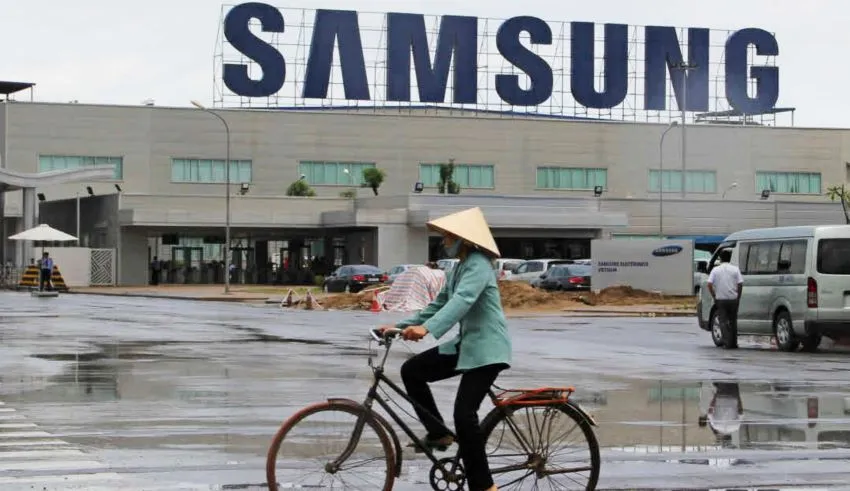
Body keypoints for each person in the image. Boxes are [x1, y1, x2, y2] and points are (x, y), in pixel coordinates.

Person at [378, 207, 511, 491]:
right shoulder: (459, 266)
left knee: (464, 415)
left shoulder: (479, 264)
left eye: (449, 236)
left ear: (464, 239)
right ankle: (438, 433)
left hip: (487, 350)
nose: (445, 241)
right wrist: (400, 326)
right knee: (412, 371)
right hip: (465, 346)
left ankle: (484, 485)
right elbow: (439, 303)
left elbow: (461, 301)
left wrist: (428, 330)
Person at [707, 249, 744, 349]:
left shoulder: (715, 270)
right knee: (733, 321)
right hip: (733, 299)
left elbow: (709, 284)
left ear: (720, 258)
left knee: (723, 321)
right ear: (730, 258)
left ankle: (727, 343)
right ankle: (734, 343)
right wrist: (738, 296)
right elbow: (740, 283)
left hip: (721, 299)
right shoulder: (735, 269)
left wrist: (714, 295)